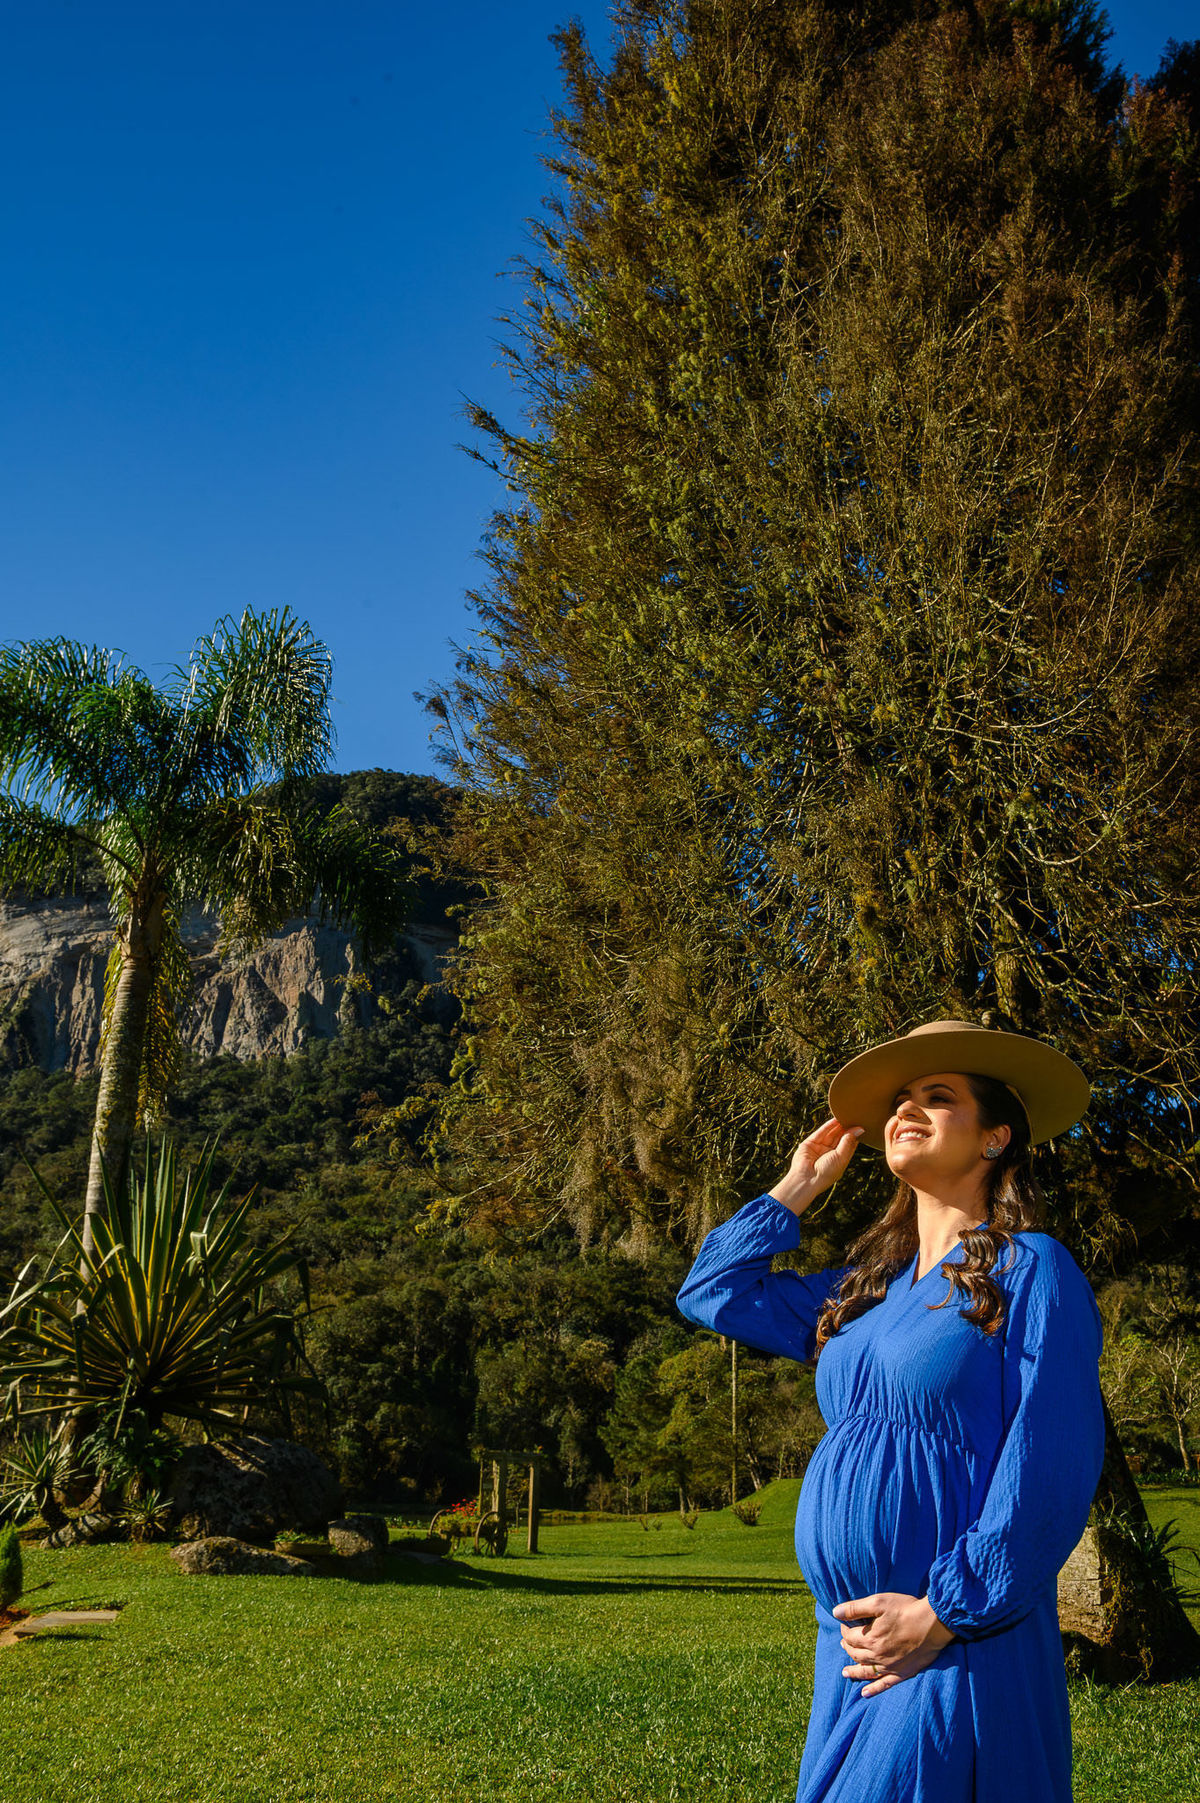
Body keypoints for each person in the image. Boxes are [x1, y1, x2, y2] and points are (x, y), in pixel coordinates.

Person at [676, 1019, 1105, 1803]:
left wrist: (944, 1609)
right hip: (849, 1650)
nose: (906, 1110)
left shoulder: (1034, 1270)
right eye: (900, 1099)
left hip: (955, 1641)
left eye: (937, 1098)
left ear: (995, 1137)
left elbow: (1052, 1463)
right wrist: (797, 1185)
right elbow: (712, 1291)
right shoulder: (863, 1292)